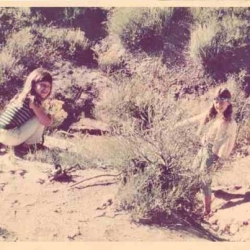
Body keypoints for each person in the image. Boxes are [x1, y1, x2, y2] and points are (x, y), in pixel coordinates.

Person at [176, 87, 237, 216]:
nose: (218, 105)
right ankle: (187, 204)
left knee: (204, 180)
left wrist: (220, 156)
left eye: (222, 102)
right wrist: (177, 125)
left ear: (228, 103)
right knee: (193, 173)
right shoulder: (211, 115)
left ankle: (207, 211)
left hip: (212, 153)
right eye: (216, 101)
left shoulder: (230, 122)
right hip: (203, 149)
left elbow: (229, 141)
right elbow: (194, 119)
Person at [0, 68, 53, 156]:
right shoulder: (33, 100)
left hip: (2, 134)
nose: (46, 89)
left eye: (49, 86)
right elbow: (46, 122)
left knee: (38, 115)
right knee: (41, 117)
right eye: (43, 85)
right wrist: (50, 118)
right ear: (33, 85)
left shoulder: (21, 96)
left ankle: (6, 143)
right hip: (10, 137)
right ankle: (26, 147)